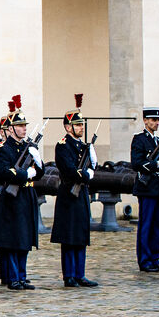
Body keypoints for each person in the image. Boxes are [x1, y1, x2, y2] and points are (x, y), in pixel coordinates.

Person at [0, 100, 40, 291]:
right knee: (12, 239)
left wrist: (38, 162)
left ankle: (22, 276)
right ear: (10, 129)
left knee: (24, 238)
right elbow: (1, 172)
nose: (24, 129)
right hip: (10, 199)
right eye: (19, 126)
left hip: (26, 196)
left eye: (24, 125)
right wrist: (25, 174)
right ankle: (12, 277)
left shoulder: (27, 148)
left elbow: (39, 173)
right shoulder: (2, 149)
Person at [51, 98, 99, 288]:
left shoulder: (83, 146)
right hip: (69, 194)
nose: (81, 127)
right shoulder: (63, 145)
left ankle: (80, 273)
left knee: (81, 234)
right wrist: (86, 174)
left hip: (81, 194)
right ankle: (69, 275)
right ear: (67, 127)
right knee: (69, 236)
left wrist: (92, 165)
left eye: (81, 124)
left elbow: (89, 167)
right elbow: (69, 170)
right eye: (77, 125)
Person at [131, 108, 159, 273]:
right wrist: (155, 164)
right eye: (153, 120)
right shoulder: (139, 139)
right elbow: (136, 163)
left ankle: (155, 258)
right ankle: (145, 260)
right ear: (145, 120)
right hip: (146, 187)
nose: (156, 123)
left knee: (157, 225)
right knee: (146, 224)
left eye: (157, 120)